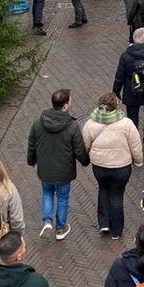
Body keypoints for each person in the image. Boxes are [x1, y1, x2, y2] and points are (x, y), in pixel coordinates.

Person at [28, 89, 90, 240]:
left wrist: (31, 161)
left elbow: (32, 145)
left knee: (47, 193)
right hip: (64, 172)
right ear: (66, 105)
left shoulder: (38, 124)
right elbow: (79, 149)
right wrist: (85, 161)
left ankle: (47, 221)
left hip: (45, 170)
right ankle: (60, 228)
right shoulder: (72, 127)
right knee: (62, 197)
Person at [82, 92, 143, 238]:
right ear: (116, 106)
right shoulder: (126, 123)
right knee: (117, 196)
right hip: (121, 168)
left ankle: (103, 224)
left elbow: (85, 145)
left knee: (103, 190)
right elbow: (135, 145)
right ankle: (116, 231)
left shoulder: (90, 123)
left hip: (100, 167)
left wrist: (89, 157)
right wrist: (138, 162)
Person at [113, 28, 144, 149]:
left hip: (131, 91)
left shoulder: (125, 56)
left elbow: (119, 76)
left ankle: (133, 143)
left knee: (132, 117)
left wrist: (116, 92)